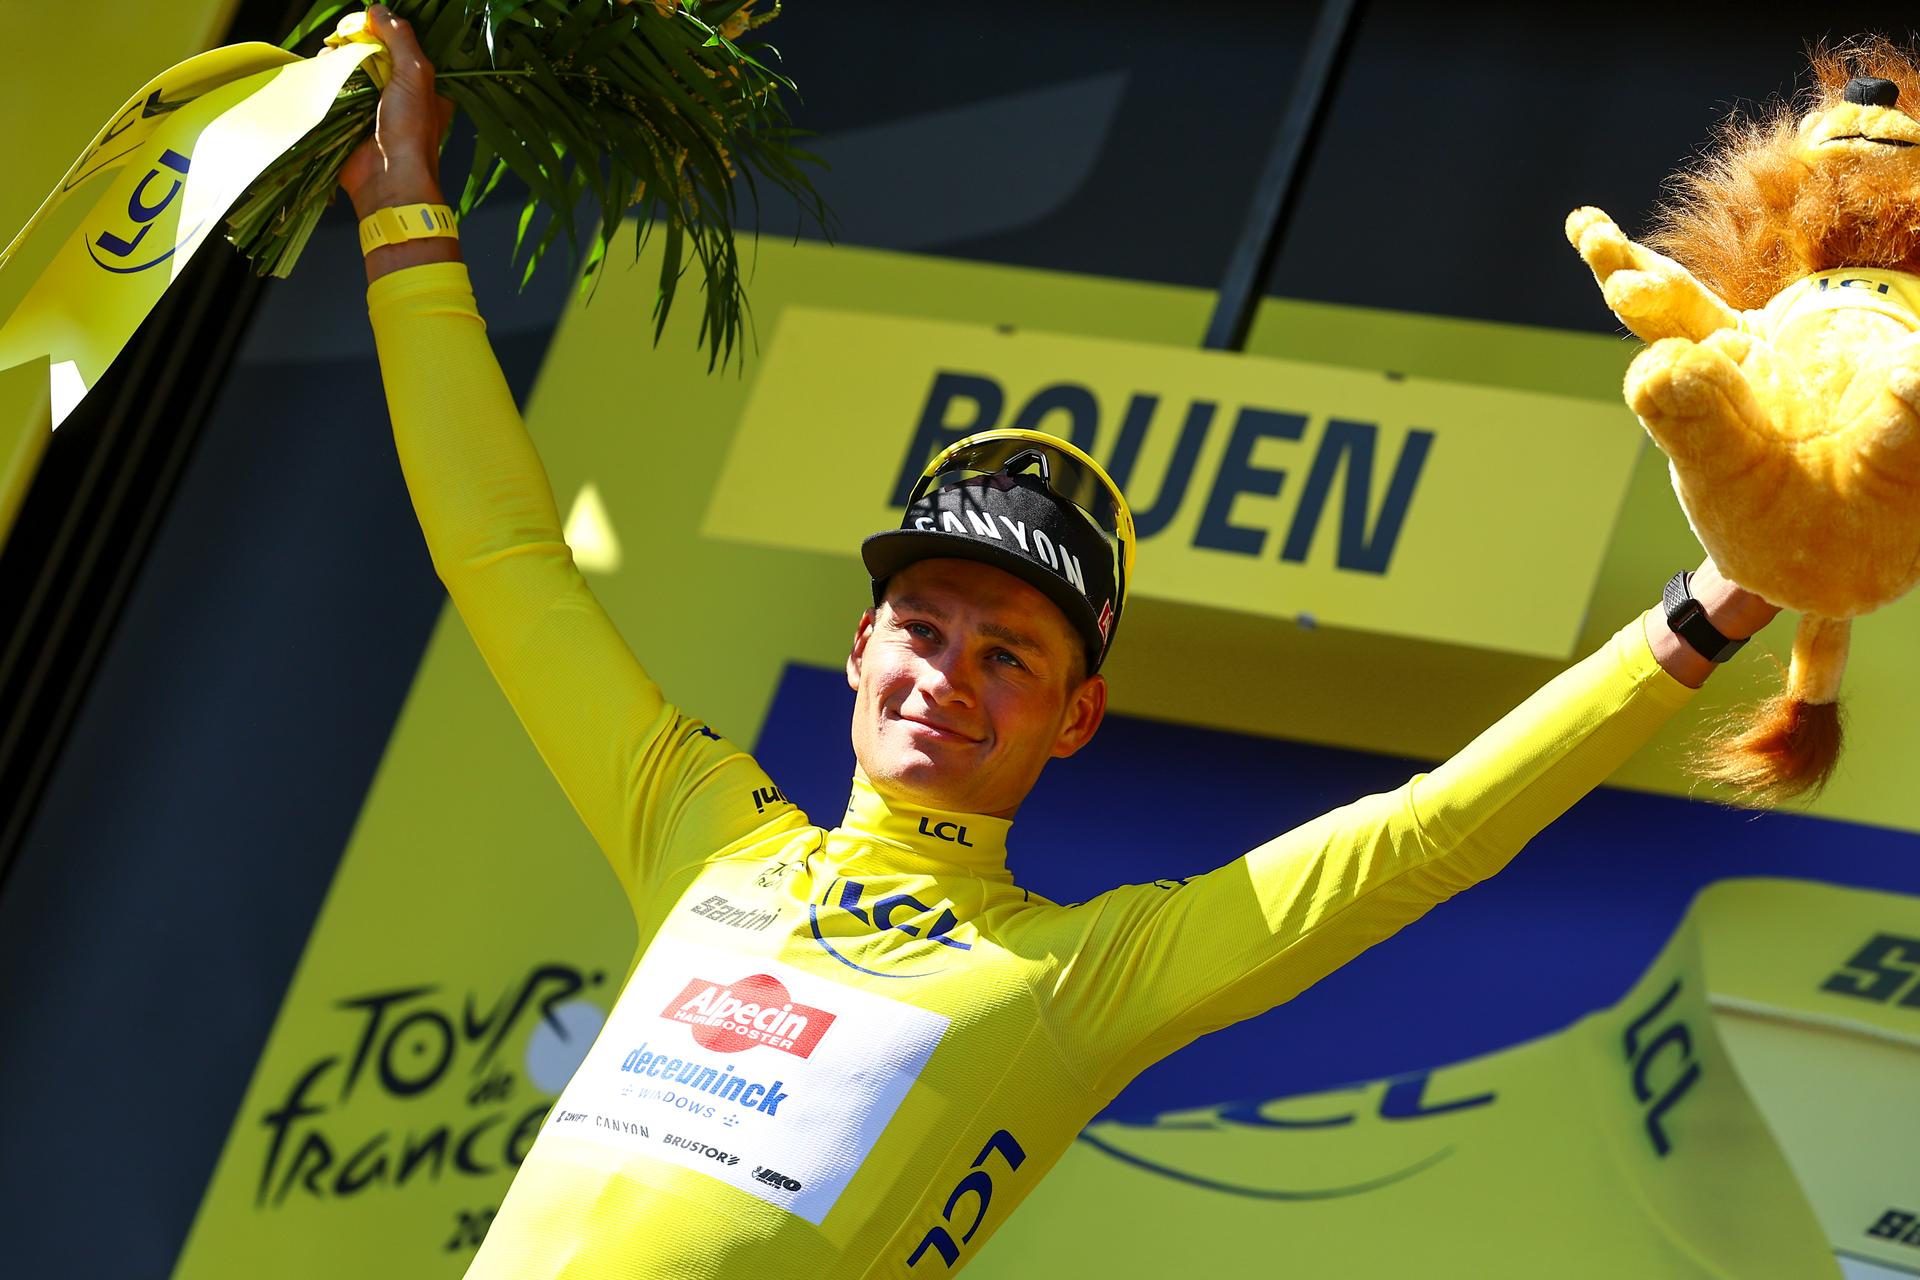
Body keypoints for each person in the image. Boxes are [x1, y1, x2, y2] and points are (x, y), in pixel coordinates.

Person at [342, 8, 1779, 1276]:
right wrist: (402, 207)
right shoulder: (703, 833)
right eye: (923, 629)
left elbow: (1420, 838)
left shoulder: (1081, 978)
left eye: (1009, 656)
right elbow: (504, 559)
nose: (947, 677)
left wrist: (1707, 608)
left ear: (1076, 717)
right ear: (859, 648)